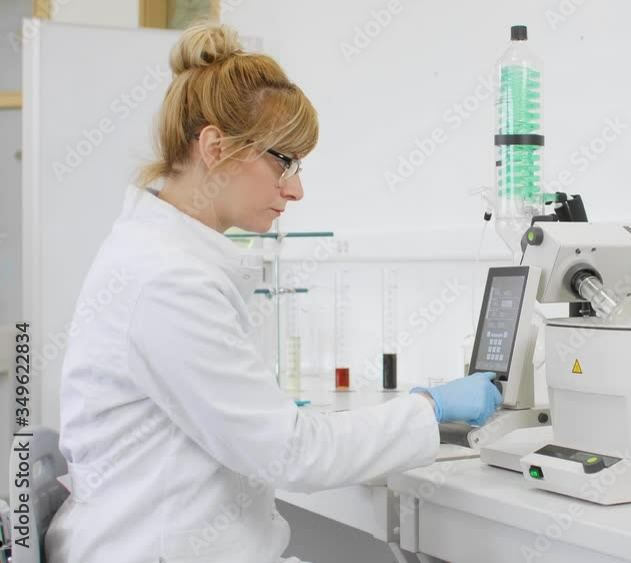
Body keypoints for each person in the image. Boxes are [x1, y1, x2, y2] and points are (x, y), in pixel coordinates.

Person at [44, 23, 502, 563]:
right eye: (284, 161)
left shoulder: (164, 256)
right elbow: (291, 452)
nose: (296, 189)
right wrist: (430, 408)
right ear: (215, 148)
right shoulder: (166, 280)